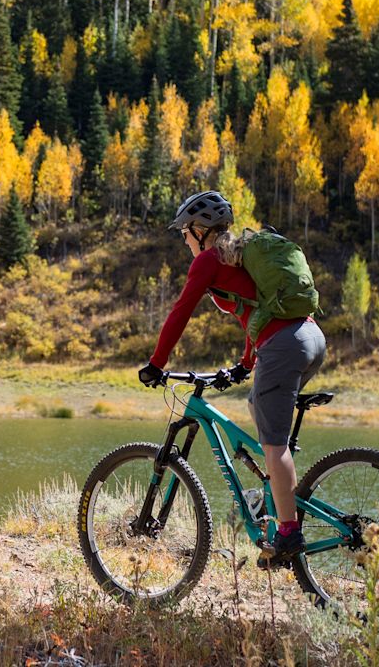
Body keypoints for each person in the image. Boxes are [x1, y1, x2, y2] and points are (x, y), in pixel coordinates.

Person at [138, 190, 326, 563]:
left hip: (284, 344)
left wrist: (157, 362)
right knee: (259, 408)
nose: (184, 240)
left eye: (185, 233)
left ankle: (287, 535)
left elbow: (180, 312)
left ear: (199, 230)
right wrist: (245, 362)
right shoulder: (239, 256)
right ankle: (275, 511)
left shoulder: (209, 260)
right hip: (310, 336)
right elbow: (257, 311)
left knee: (274, 443)